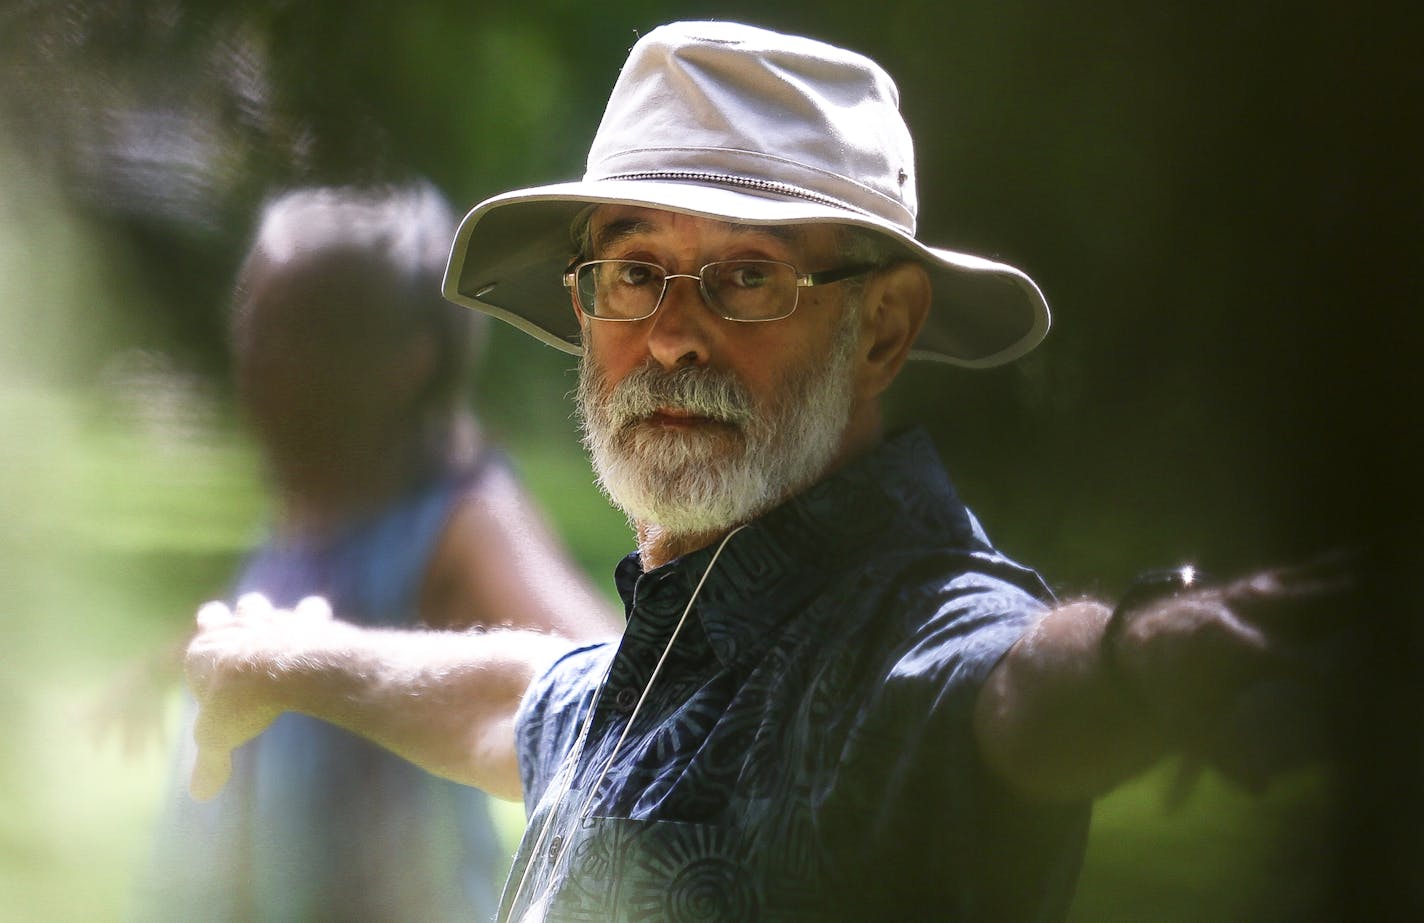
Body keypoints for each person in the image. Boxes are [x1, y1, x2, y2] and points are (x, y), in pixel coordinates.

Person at [182, 23, 1354, 922]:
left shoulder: (892, 644)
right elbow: (532, 702)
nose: (675, 335)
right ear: (584, 304)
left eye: (748, 277)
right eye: (636, 271)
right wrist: (281, 658)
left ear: (883, 331)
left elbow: (996, 683)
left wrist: (1141, 653)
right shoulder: (678, 637)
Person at [142, 182, 618, 921]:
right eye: (252, 319)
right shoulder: (318, 493)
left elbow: (622, 704)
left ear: (407, 361)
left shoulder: (460, 517)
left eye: (301, 330)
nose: (257, 354)